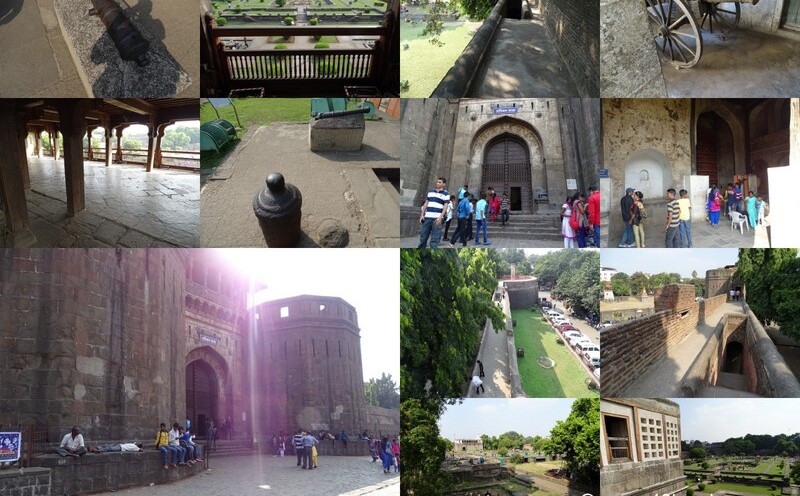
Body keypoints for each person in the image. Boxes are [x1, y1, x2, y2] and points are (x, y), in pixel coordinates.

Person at [418, 177, 449, 248]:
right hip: (427, 217)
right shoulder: (431, 192)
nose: (437, 183)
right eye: (437, 182)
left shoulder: (446, 194)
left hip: (437, 218)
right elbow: (426, 203)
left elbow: (445, 206)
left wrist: (440, 217)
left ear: (444, 184)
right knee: (423, 238)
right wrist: (422, 215)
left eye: (440, 182)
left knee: (434, 240)